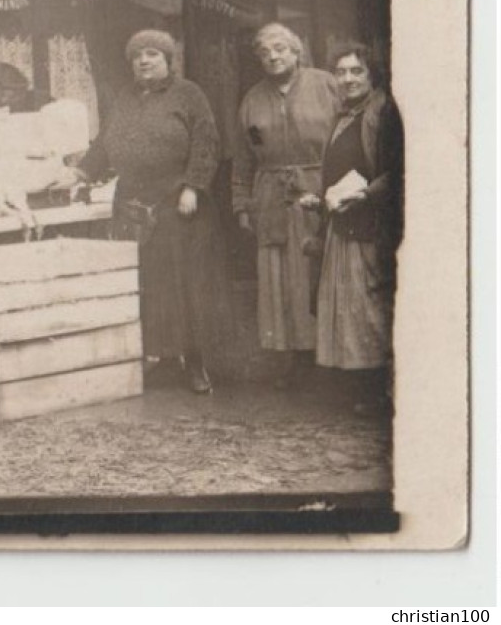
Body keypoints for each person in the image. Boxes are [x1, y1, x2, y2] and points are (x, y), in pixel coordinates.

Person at [77, 30, 219, 394]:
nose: (144, 61)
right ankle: (165, 358)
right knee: (150, 284)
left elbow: (206, 141)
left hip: (177, 204)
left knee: (184, 284)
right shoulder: (124, 98)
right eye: (137, 55)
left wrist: (193, 186)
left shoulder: (188, 94)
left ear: (168, 60)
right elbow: (104, 142)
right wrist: (81, 171)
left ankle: (196, 364)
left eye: (153, 54)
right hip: (133, 207)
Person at [231, 22, 341, 387]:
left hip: (319, 190)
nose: (272, 56)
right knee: (280, 279)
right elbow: (244, 160)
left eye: (279, 48)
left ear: (297, 51)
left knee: (318, 271)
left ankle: (330, 357)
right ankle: (293, 359)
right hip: (271, 198)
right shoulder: (252, 99)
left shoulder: (326, 84)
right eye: (264, 52)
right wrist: (243, 205)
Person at [304, 44, 403, 415]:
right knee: (349, 310)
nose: (347, 79)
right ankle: (355, 389)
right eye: (341, 72)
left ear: (371, 75)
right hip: (342, 222)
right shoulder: (343, 115)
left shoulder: (383, 112)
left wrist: (365, 194)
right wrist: (321, 199)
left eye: (355, 71)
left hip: (369, 223)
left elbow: (396, 170)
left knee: (369, 309)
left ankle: (379, 392)